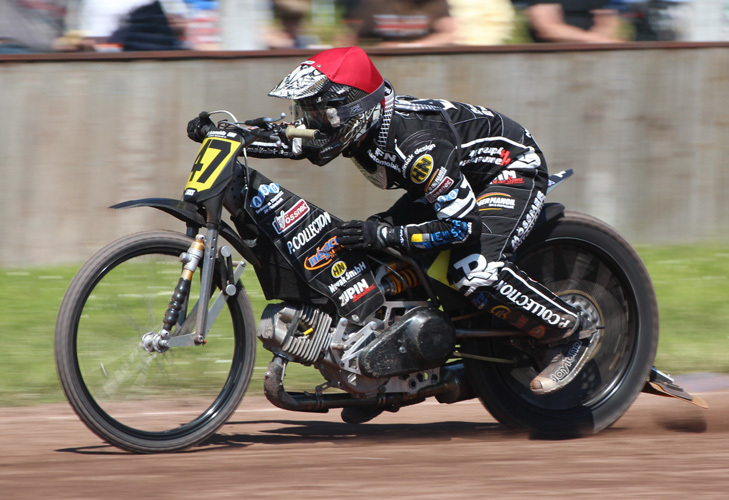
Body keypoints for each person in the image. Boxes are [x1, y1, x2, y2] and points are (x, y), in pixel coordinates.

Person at [186, 46, 599, 403]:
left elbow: (462, 229)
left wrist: (387, 233)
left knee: (472, 270)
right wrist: (230, 134)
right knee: (374, 254)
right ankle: (388, 370)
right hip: (453, 181)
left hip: (507, 173)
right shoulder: (359, 124)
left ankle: (569, 333)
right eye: (305, 110)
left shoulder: (418, 146)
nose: (308, 121)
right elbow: (293, 139)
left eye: (316, 110)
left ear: (351, 108)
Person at [338, 0, 456, 47]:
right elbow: (347, 39)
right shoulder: (368, 3)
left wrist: (403, 47)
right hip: (378, 70)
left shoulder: (433, 3)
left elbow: (448, 35)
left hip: (426, 66)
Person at [525, 0, 623, 42]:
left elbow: (608, 22)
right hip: (551, 60)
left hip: (595, 57)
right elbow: (546, 28)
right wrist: (599, 41)